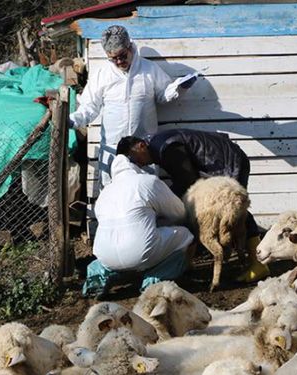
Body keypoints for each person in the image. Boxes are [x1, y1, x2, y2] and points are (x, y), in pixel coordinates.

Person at [116, 128, 270, 283]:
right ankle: (239, 260)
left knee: (235, 208)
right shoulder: (160, 145)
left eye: (135, 158)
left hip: (228, 162)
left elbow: (187, 180)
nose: (139, 164)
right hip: (223, 160)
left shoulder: (166, 148)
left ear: (141, 145)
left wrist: (162, 198)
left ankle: (258, 264)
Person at [69, 25, 196, 186]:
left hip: (143, 150)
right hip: (112, 148)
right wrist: (75, 120)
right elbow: (89, 107)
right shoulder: (102, 75)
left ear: (130, 46)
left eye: (122, 55)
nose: (119, 61)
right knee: (111, 191)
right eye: (113, 58)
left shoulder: (149, 69)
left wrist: (179, 88)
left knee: (146, 190)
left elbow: (163, 94)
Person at [82, 154, 195, 299]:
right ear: (134, 166)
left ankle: (97, 279)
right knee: (186, 236)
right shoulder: (147, 181)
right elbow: (179, 212)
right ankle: (153, 281)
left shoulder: (105, 193)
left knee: (106, 260)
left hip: (105, 255)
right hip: (141, 251)